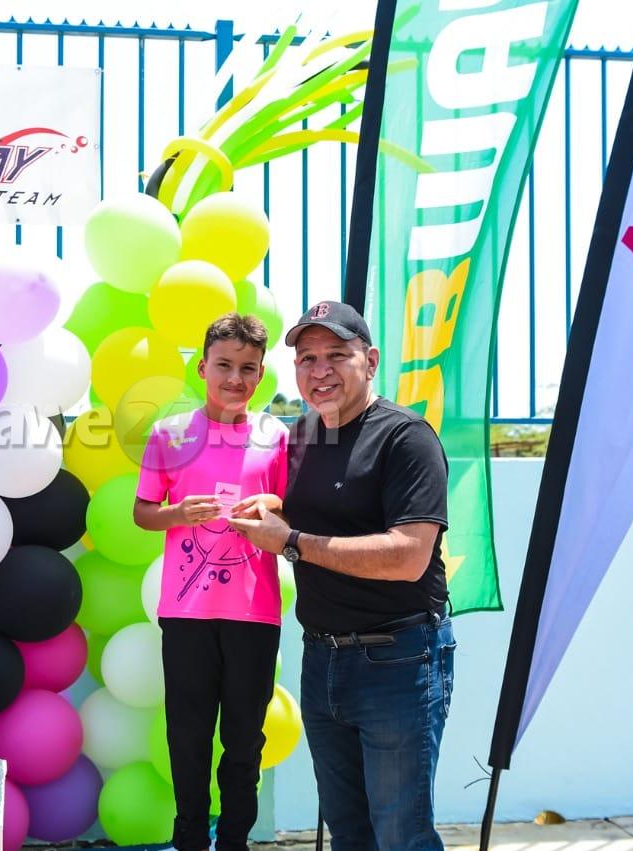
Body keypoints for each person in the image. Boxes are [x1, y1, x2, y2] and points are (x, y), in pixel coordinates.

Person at [228, 300, 454, 851]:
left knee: (401, 834)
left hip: (398, 659)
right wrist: (276, 507)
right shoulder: (304, 435)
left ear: (370, 361)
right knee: (349, 833)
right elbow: (325, 511)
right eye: (307, 358)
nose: (320, 370)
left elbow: (408, 556)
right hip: (323, 658)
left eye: (336, 354)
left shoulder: (407, 437)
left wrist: (291, 542)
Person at [132, 313, 289, 851]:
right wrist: (178, 514)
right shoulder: (169, 433)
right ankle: (191, 840)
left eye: (248, 368)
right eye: (224, 365)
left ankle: (235, 841)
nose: (235, 378)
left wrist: (269, 502)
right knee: (189, 737)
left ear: (261, 373)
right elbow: (142, 512)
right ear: (202, 368)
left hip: (255, 612)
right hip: (186, 613)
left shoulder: (276, 435)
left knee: (244, 742)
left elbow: (289, 506)